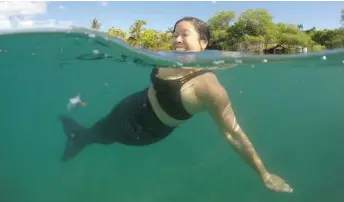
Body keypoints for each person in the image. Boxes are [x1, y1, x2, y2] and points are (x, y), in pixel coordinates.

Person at [58, 17, 293, 193]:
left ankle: (79, 139)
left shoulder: (210, 88)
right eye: (174, 34)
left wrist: (264, 174)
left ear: (203, 42)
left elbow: (233, 133)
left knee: (103, 136)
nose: (177, 39)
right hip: (131, 104)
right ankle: (80, 137)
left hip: (143, 130)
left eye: (184, 34)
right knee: (99, 130)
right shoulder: (166, 58)